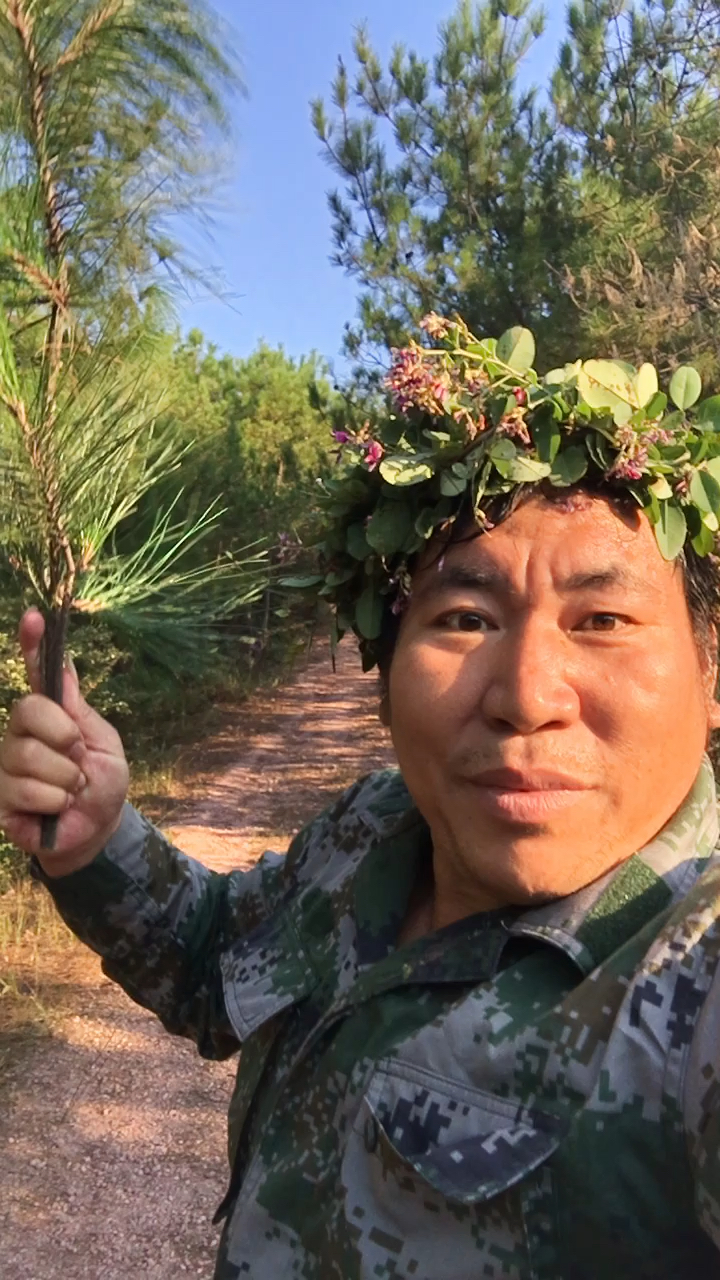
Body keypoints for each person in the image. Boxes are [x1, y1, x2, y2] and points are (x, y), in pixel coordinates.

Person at [3, 319, 720, 1278]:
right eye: (465, 618)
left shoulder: (692, 973)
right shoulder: (373, 826)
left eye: (603, 620)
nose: (525, 696)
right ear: (383, 679)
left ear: (710, 673)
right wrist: (95, 842)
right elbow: (217, 954)